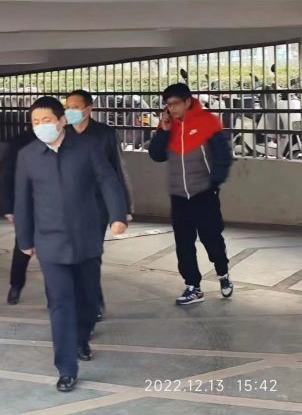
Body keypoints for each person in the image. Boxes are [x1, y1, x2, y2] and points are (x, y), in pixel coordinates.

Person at [14, 97, 128, 393]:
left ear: (61, 121)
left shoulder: (87, 147)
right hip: (49, 241)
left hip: (86, 237)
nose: (41, 126)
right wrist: (25, 239)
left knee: (88, 300)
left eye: (46, 120)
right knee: (60, 303)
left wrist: (118, 216)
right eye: (35, 122)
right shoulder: (28, 155)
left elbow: (108, 181)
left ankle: (82, 337)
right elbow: (22, 199)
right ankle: (66, 368)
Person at [148, 83, 234, 306]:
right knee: (184, 243)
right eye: (167, 105)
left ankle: (223, 272)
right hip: (178, 196)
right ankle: (193, 286)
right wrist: (163, 131)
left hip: (203, 193)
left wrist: (214, 184)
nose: (171, 108)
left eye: (175, 103)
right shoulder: (168, 125)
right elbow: (156, 155)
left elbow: (224, 155)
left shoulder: (207, 121)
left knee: (211, 238)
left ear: (187, 101)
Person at [65, 89, 134, 320]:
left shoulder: (105, 134)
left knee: (91, 254)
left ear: (88, 109)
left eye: (75, 107)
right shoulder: (62, 133)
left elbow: (118, 170)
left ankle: (93, 303)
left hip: (97, 205)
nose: (70, 111)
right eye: (67, 107)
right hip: (69, 205)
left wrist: (123, 209)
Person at [1, 128, 37, 305]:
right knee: (22, 247)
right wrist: (9, 207)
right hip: (27, 204)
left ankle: (54, 294)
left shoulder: (68, 140)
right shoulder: (21, 141)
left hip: (55, 207)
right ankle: (16, 285)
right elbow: (8, 174)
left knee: (54, 254)